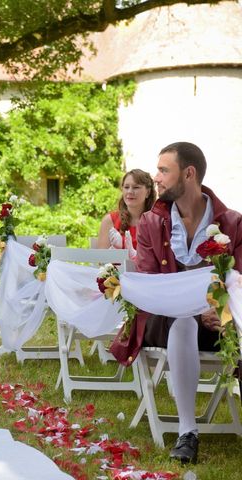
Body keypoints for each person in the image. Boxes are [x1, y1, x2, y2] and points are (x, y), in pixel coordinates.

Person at [110, 142, 242, 464]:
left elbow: (239, 281)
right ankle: (188, 432)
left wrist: (221, 313)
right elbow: (150, 287)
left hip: (220, 324)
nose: (157, 177)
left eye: (163, 171)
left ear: (189, 173)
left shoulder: (233, 223)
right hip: (164, 319)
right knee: (184, 321)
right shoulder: (152, 224)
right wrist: (193, 309)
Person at [97, 169, 156, 259]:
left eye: (136, 187)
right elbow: (101, 261)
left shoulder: (157, 221)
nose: (130, 192)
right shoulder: (109, 220)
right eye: (126, 187)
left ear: (147, 192)